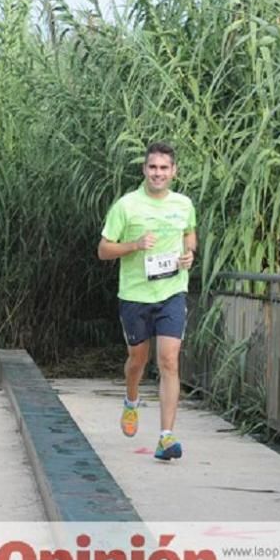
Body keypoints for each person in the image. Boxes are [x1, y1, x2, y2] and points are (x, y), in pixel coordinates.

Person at [97, 142, 197, 460]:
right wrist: (135, 244)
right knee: (137, 361)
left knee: (168, 360)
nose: (158, 173)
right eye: (153, 167)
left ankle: (166, 437)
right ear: (144, 170)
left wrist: (189, 253)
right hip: (135, 295)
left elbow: (190, 235)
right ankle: (131, 399)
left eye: (164, 168)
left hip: (172, 292)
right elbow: (103, 250)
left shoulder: (183, 204)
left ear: (174, 171)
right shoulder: (126, 206)